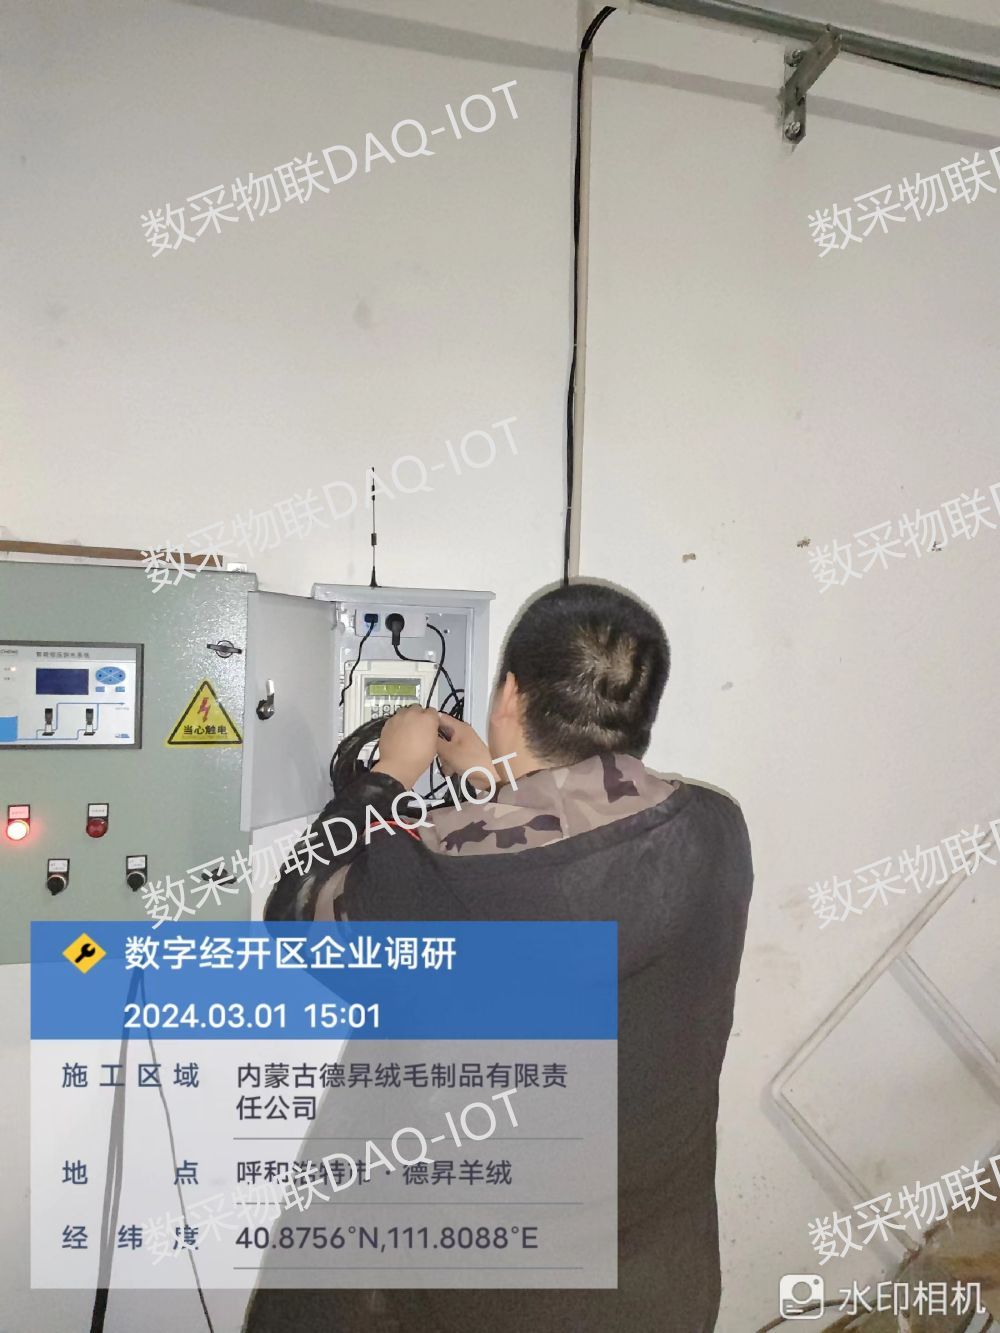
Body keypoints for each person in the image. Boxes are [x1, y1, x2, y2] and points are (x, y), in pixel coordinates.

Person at [245, 580, 753, 1332]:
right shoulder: (715, 827)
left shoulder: (443, 868)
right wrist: (492, 784)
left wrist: (385, 778)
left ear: (510, 694)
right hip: (653, 1283)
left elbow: (295, 913)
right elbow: (575, 849)